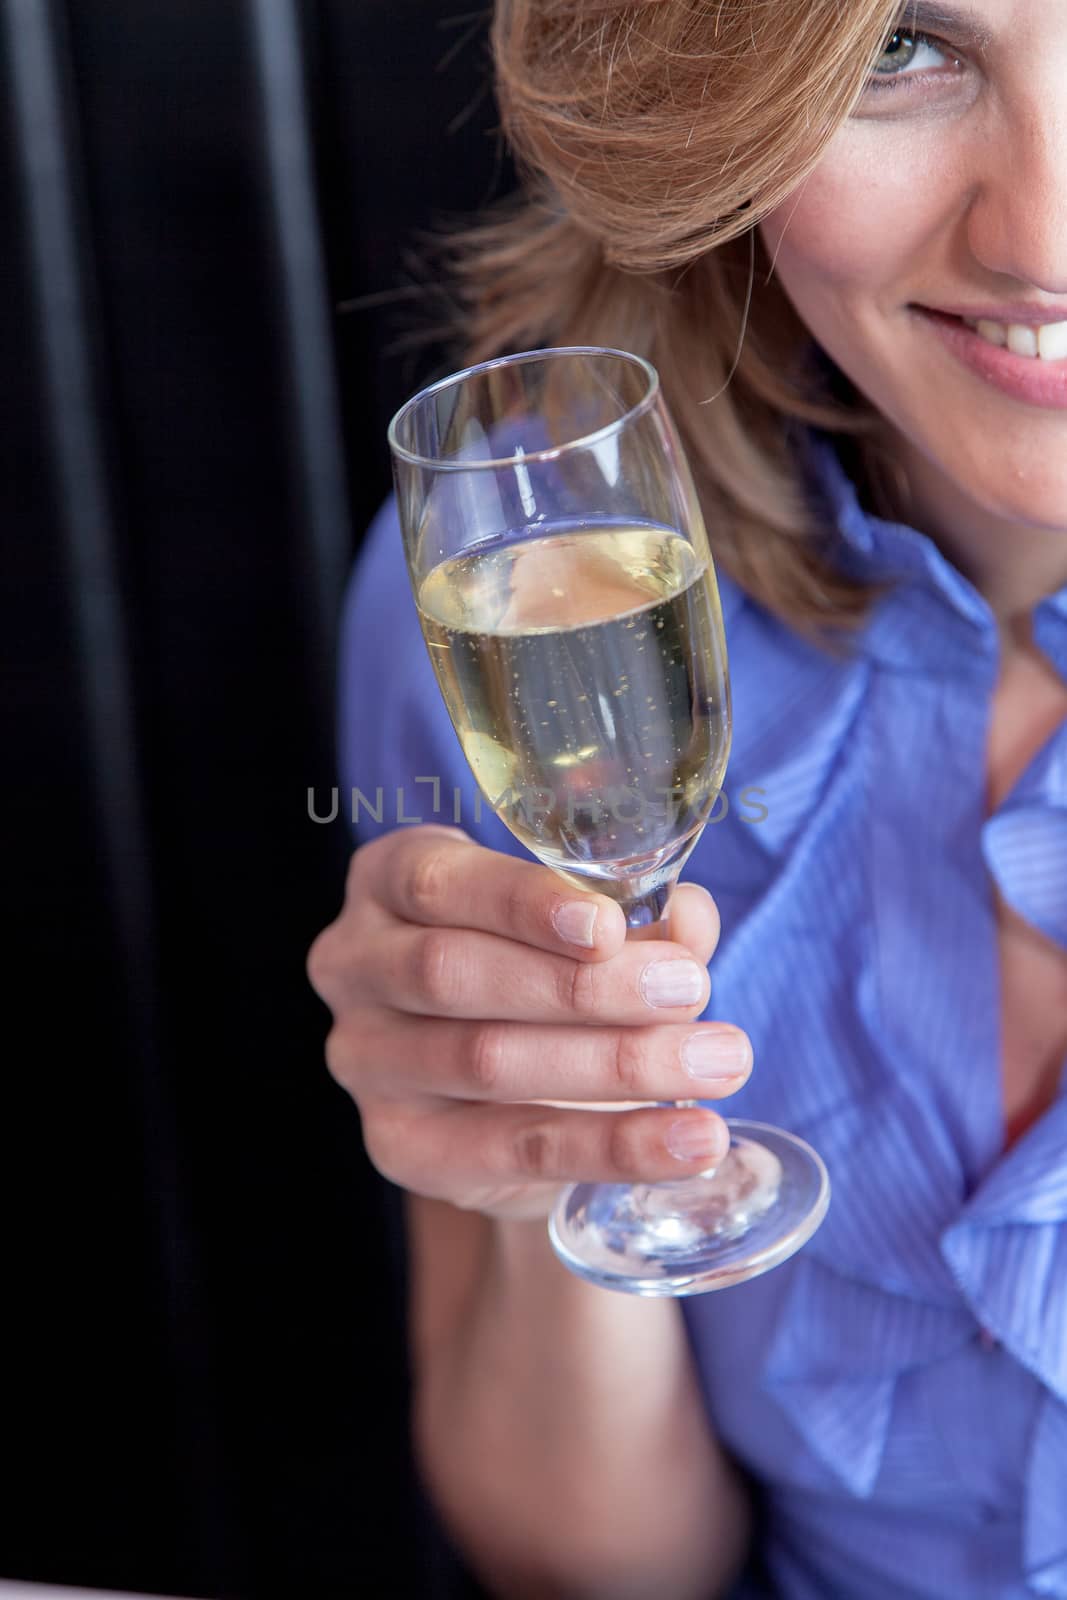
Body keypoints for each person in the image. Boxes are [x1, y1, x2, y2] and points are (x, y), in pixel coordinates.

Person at [307, 0, 1067, 1593]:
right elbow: (597, 1572)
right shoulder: (529, 591)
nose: (1041, 230)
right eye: (898, 48)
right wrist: (534, 1168)